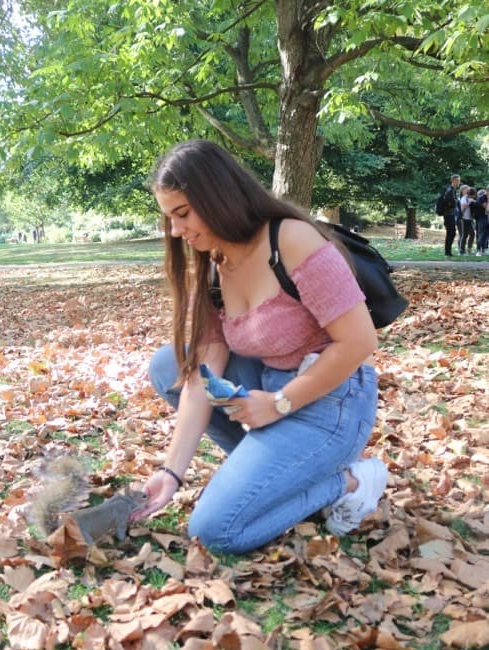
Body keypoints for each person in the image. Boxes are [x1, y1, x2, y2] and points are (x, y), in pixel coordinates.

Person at [132, 139, 387, 555]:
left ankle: (351, 480)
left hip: (332, 401)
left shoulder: (291, 240)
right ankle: (275, 476)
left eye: (182, 214)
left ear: (217, 197)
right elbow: (205, 378)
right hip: (268, 388)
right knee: (169, 364)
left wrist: (281, 403)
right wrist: (171, 473)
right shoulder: (214, 264)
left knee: (215, 530)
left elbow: (360, 341)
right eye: (170, 219)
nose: (176, 231)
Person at [442, 174, 461, 257]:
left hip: (451, 214)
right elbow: (448, 201)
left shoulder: (452, 190)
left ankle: (448, 251)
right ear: (453, 181)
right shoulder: (450, 190)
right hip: (448, 214)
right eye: (457, 180)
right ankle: (447, 252)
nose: (459, 182)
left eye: (459, 180)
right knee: (451, 232)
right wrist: (456, 201)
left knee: (451, 233)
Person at [459, 187, 476, 255]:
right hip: (464, 219)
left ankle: (469, 248)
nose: (474, 196)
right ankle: (462, 251)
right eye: (473, 195)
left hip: (470, 219)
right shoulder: (464, 198)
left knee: (472, 234)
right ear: (470, 194)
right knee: (464, 235)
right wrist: (469, 202)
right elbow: (462, 209)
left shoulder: (470, 198)